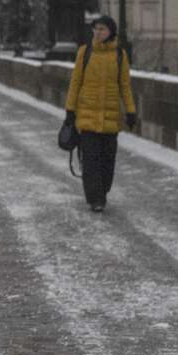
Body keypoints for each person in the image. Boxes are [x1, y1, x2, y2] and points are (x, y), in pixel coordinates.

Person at [64, 16, 138, 213]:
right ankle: (95, 198)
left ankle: (101, 191)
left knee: (107, 160)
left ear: (111, 32)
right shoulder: (84, 52)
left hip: (110, 119)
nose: (97, 32)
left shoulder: (120, 56)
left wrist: (131, 111)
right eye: (95, 29)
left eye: (102, 29)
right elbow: (75, 83)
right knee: (90, 160)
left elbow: (125, 87)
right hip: (87, 117)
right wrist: (70, 111)